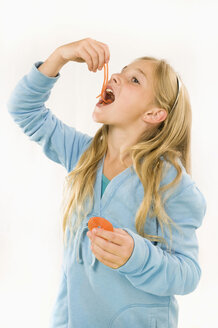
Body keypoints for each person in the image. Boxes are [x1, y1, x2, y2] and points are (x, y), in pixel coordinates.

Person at [7, 37, 207, 328]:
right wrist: (61, 56)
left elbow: (188, 274)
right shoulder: (83, 155)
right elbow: (23, 109)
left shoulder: (171, 183)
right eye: (121, 72)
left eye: (134, 80)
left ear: (153, 114)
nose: (115, 76)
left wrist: (136, 256)